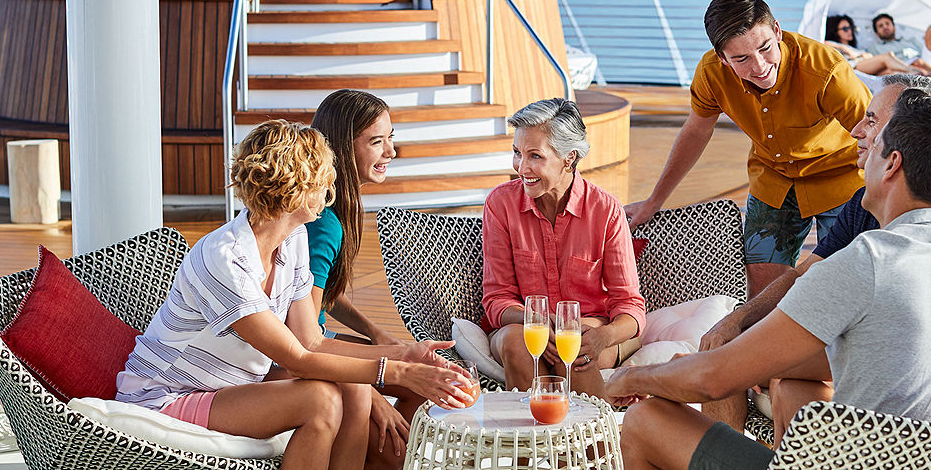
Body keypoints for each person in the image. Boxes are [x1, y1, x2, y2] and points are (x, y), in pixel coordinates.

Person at [610, 90, 931, 470]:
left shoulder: (869, 260)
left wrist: (626, 379)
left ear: (892, 163)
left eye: (875, 142)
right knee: (797, 388)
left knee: (645, 421)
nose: (861, 145)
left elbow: (714, 379)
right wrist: (719, 362)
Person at [116, 120, 473, 470]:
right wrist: (401, 371)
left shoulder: (294, 238)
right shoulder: (225, 258)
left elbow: (311, 342)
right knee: (319, 400)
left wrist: (405, 352)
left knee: (355, 388)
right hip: (167, 395)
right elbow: (297, 358)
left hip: (234, 384)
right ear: (295, 188)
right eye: (322, 181)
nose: (329, 189)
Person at [695, 74, 931, 429]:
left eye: (872, 121)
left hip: (884, 383)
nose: (856, 130)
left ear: (903, 137)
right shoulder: (870, 208)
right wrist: (738, 318)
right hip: (849, 350)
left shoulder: (915, 242)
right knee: (788, 386)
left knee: (722, 364)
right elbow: (802, 274)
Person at [625, 0, 872, 299]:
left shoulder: (826, 71)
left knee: (842, 286)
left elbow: (877, 138)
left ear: (778, 31)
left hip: (842, 177)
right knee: (761, 291)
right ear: (722, 58)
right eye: (741, 58)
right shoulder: (711, 74)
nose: (758, 66)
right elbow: (695, 132)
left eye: (766, 48)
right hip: (774, 178)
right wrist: (654, 201)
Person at [482, 98, 646, 397]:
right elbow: (498, 298)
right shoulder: (500, 204)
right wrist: (539, 323)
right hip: (521, 326)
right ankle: (528, 440)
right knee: (517, 342)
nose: (521, 167)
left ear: (568, 158)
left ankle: (596, 438)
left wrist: (601, 337)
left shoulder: (606, 209)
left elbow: (629, 305)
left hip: (590, 327)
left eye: (535, 156)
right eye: (517, 153)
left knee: (573, 348)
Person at [306, 89, 428, 462]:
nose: (391, 152)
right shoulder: (323, 222)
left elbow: (320, 292)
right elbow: (304, 335)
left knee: (421, 376)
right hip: (295, 352)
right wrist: (372, 395)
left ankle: (381, 454)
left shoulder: (335, 206)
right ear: (344, 147)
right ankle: (383, 455)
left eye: (391, 138)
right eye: (377, 142)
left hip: (316, 338)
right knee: (404, 402)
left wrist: (373, 333)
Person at [865, 13, 931, 88]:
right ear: (876, 32)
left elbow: (925, 53)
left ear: (894, 27)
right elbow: (877, 68)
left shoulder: (911, 41)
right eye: (880, 26)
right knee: (915, 64)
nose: (885, 27)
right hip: (902, 70)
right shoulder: (874, 48)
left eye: (887, 23)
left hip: (924, 62)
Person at [822, 14, 917, 76]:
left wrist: (860, 54)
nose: (850, 31)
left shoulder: (855, 48)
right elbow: (822, 42)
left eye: (851, 27)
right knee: (888, 56)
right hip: (855, 67)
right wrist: (843, 47)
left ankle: (915, 73)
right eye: (845, 29)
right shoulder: (835, 45)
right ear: (835, 32)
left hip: (867, 66)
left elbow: (868, 56)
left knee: (892, 73)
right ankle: (913, 72)